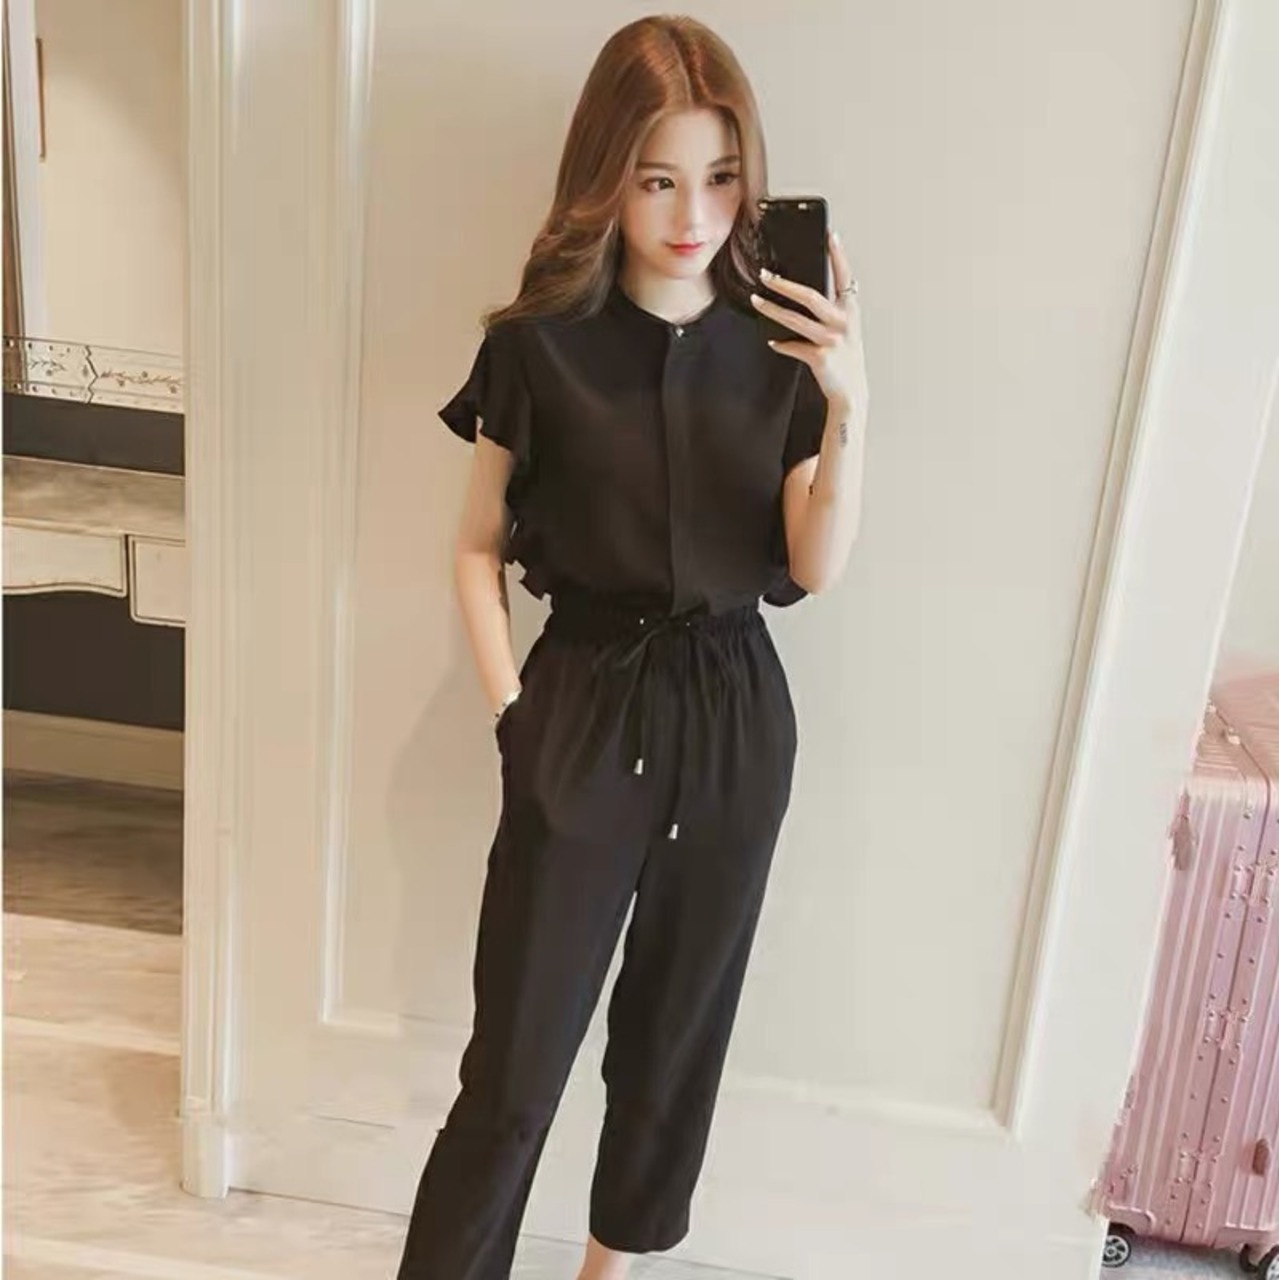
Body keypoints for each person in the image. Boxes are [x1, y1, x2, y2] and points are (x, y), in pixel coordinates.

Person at [395, 14, 868, 1280]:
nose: (692, 214)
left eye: (720, 177)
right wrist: (514, 715)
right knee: (514, 1063)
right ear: (607, 172)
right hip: (581, 703)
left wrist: (849, 404)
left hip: (732, 711)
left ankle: (610, 1272)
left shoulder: (781, 342)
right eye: (657, 178)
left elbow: (812, 564)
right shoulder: (536, 343)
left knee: (672, 1039)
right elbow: (474, 546)